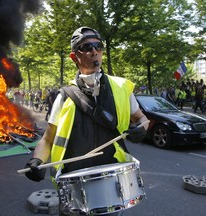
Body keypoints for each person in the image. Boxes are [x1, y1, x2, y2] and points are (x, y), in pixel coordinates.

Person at [24, 27, 149, 216]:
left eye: (98, 46)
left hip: (111, 182)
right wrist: (37, 160)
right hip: (73, 184)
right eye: (87, 47)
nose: (94, 51)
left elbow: (142, 118)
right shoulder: (64, 96)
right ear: (74, 57)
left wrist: (141, 128)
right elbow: (48, 139)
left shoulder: (122, 88)